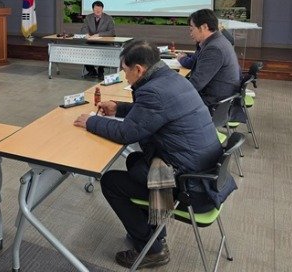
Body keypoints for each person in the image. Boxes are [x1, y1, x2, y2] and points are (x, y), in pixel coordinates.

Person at [73, 40, 229, 269]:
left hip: (191, 187)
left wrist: (92, 121)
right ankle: (152, 228)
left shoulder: (153, 91)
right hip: (206, 173)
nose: (124, 76)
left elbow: (127, 133)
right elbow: (152, 114)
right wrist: (119, 108)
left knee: (110, 181)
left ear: (139, 69)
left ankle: (153, 250)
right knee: (134, 159)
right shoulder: (170, 78)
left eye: (125, 71)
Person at [186, 9, 241, 110]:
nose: (190, 33)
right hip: (219, 96)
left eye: (191, 29)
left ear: (204, 27)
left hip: (214, 103)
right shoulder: (219, 40)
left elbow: (196, 83)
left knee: (167, 106)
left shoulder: (214, 49)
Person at [80, 0, 115, 78]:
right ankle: (92, 71)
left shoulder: (108, 18)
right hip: (91, 42)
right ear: (93, 9)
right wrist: (86, 33)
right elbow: (84, 28)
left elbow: (112, 32)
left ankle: (101, 71)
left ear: (102, 9)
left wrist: (99, 35)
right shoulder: (88, 17)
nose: (98, 10)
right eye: (96, 9)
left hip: (104, 43)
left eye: (100, 9)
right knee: (84, 50)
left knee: (104, 51)